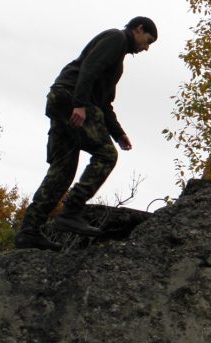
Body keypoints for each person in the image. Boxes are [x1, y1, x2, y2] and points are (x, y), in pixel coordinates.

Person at [15, 17, 157, 251]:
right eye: (147, 40)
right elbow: (89, 68)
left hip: (61, 99)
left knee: (63, 170)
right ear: (139, 29)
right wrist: (79, 104)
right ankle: (71, 210)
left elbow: (105, 103)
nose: (146, 48)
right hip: (71, 98)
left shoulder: (118, 57)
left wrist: (118, 133)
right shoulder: (116, 38)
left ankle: (29, 230)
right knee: (106, 155)